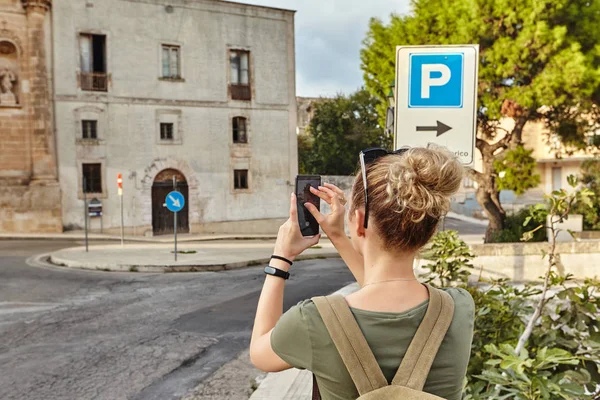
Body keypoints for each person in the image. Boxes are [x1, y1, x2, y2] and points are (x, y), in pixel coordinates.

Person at [249, 147, 475, 400]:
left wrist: (280, 259)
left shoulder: (313, 321)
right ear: (430, 231)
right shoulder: (458, 308)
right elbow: (381, 288)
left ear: (357, 220)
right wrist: (339, 235)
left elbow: (260, 354)